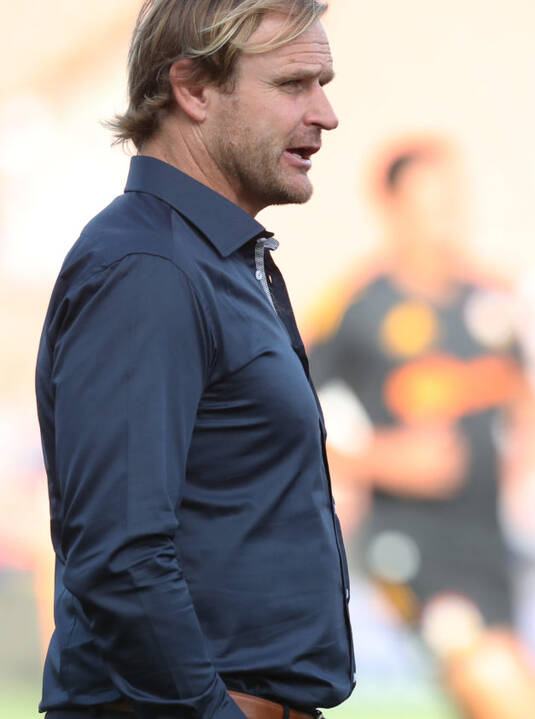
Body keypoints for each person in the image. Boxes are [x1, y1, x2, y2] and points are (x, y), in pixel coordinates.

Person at [34, 1, 351, 717]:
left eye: (322, 84)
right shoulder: (149, 267)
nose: (326, 114)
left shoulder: (208, 258)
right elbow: (120, 554)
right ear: (193, 88)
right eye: (293, 84)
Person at [306, 136, 535, 719]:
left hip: (487, 542)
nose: (443, 218)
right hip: (409, 542)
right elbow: (288, 418)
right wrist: (383, 458)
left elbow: (528, 405)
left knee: (515, 697)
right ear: (392, 209)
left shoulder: (491, 302)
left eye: (451, 201)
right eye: (428, 204)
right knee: (501, 691)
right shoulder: (358, 307)